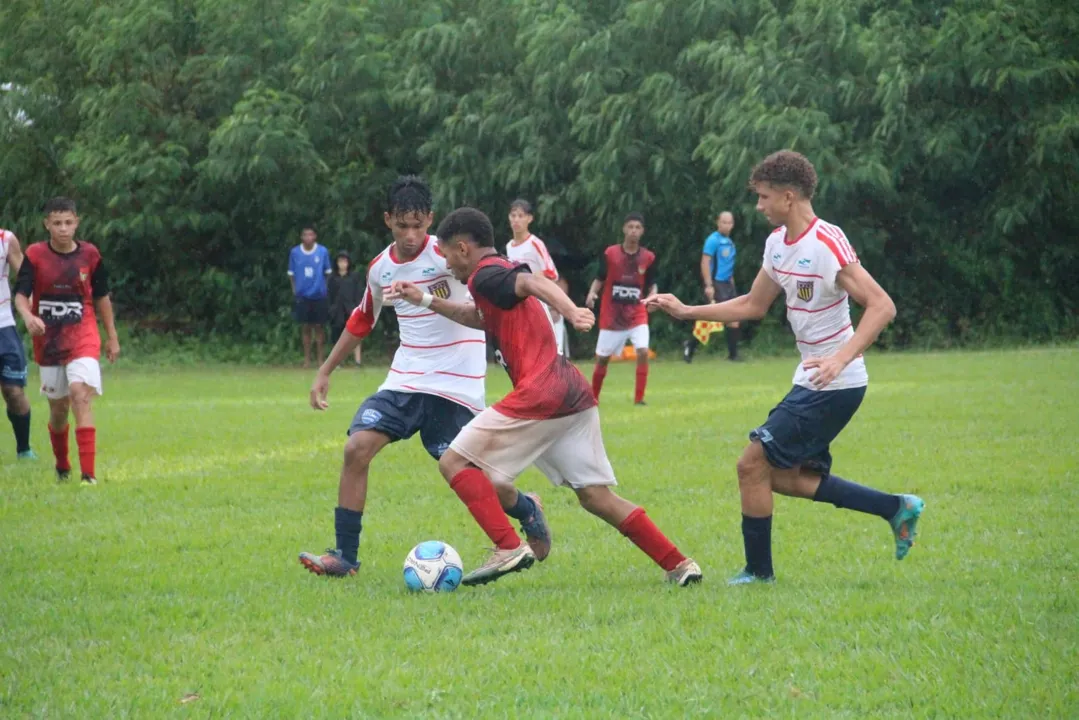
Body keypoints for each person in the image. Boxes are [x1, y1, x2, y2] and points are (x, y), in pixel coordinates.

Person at [646, 150, 925, 585]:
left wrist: (839, 358)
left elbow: (881, 306)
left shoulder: (826, 241)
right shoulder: (777, 243)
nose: (758, 206)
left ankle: (759, 574)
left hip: (836, 382)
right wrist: (686, 311)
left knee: (750, 464)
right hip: (811, 378)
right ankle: (895, 508)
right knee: (784, 477)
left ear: (789, 197)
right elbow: (753, 305)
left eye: (763, 197)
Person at [388, 207, 702, 588]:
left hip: (543, 391)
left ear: (463, 248)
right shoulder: (487, 283)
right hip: (570, 389)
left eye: (446, 253)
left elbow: (530, 282)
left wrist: (571, 310)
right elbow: (479, 317)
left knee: (453, 461)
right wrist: (424, 300)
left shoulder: (488, 272)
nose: (446, 262)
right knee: (595, 497)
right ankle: (679, 564)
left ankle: (507, 545)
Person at [298, 176, 550, 577]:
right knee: (356, 449)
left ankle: (525, 507)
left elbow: (497, 288)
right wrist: (325, 370)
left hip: (457, 383)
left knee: (479, 477)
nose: (412, 235)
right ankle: (345, 557)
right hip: (406, 379)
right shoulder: (380, 268)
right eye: (402, 226)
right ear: (388, 221)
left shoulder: (452, 254)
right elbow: (363, 318)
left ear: (431, 219)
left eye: (418, 225)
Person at [14, 197, 120, 485]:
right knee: (58, 408)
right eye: (57, 223)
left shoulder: (90, 255)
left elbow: (101, 296)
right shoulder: (35, 255)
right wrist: (27, 316)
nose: (63, 228)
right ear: (47, 224)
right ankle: (63, 465)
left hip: (83, 335)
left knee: (80, 393)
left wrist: (112, 337)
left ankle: (88, 476)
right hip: (48, 341)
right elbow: (21, 294)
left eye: (68, 222)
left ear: (77, 223)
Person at [585, 212, 656, 405]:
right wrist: (592, 294)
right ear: (624, 229)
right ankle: (593, 399)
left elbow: (652, 284)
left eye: (638, 228)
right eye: (630, 227)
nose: (634, 231)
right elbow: (600, 277)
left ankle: (639, 399)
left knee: (642, 351)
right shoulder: (611, 254)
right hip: (612, 315)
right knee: (602, 359)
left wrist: (651, 298)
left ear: (642, 232)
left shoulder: (648, 257)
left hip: (637, 314)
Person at [505, 199, 565, 356]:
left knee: (554, 355)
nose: (516, 220)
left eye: (521, 216)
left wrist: (553, 303)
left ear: (529, 219)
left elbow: (552, 273)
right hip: (524, 306)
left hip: (544, 304)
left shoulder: (535, 243)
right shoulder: (509, 247)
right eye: (513, 215)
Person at [684, 211, 741, 363]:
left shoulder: (729, 242)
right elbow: (705, 262)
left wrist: (732, 283)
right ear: (718, 222)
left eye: (729, 222)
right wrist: (709, 285)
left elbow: (728, 265)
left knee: (734, 318)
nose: (727, 225)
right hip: (716, 282)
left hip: (728, 284)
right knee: (710, 319)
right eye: (724, 222)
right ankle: (689, 346)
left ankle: (733, 356)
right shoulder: (713, 240)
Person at [0, 227, 35, 460]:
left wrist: (33, 313)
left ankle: (24, 449)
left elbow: (26, 278)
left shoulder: (5, 239)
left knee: (13, 391)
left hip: (3, 326)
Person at [288, 226, 331, 368]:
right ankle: (306, 360)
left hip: (319, 295)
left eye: (311, 234)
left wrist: (322, 288)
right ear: (302, 237)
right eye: (305, 235)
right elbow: (291, 275)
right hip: (302, 296)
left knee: (319, 327)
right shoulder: (295, 252)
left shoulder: (322, 251)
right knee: (305, 327)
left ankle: (320, 360)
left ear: (315, 236)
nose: (308, 237)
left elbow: (327, 272)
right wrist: (295, 291)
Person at [327, 250, 363, 367]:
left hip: (351, 309)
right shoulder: (332, 278)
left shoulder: (354, 277)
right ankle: (337, 362)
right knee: (337, 336)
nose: (342, 264)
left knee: (355, 335)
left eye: (345, 261)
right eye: (340, 261)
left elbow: (358, 293)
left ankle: (357, 361)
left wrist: (357, 308)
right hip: (337, 311)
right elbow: (329, 295)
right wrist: (331, 309)